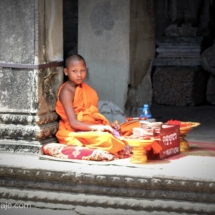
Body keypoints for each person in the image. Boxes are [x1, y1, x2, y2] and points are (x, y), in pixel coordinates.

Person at [56, 54, 161, 155]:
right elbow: (73, 123)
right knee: (106, 139)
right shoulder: (66, 92)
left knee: (137, 125)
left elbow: (93, 116)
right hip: (75, 131)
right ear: (66, 72)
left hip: (91, 127)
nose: (79, 74)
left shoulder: (86, 89)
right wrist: (98, 128)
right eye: (74, 71)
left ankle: (126, 142)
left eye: (82, 70)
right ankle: (126, 145)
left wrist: (108, 124)